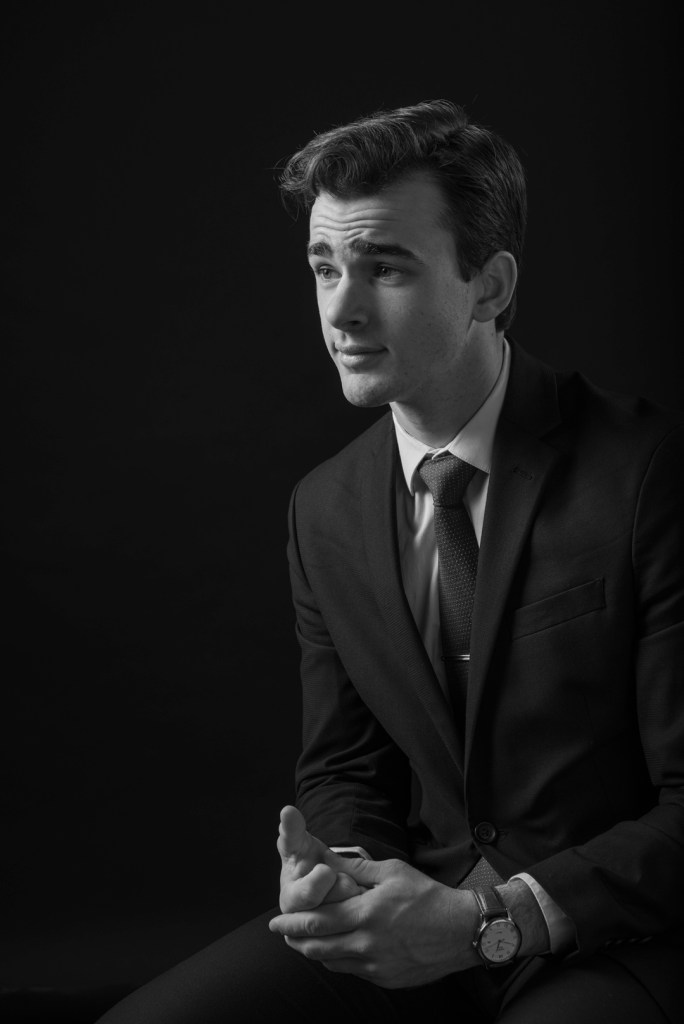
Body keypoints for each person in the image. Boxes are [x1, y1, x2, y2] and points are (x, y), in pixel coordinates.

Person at [98, 100, 684, 1023]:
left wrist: (490, 920)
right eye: (324, 267)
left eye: (385, 267)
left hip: (621, 935)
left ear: (489, 285)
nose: (341, 308)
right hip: (415, 917)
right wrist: (341, 873)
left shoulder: (648, 474)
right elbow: (345, 769)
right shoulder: (323, 509)